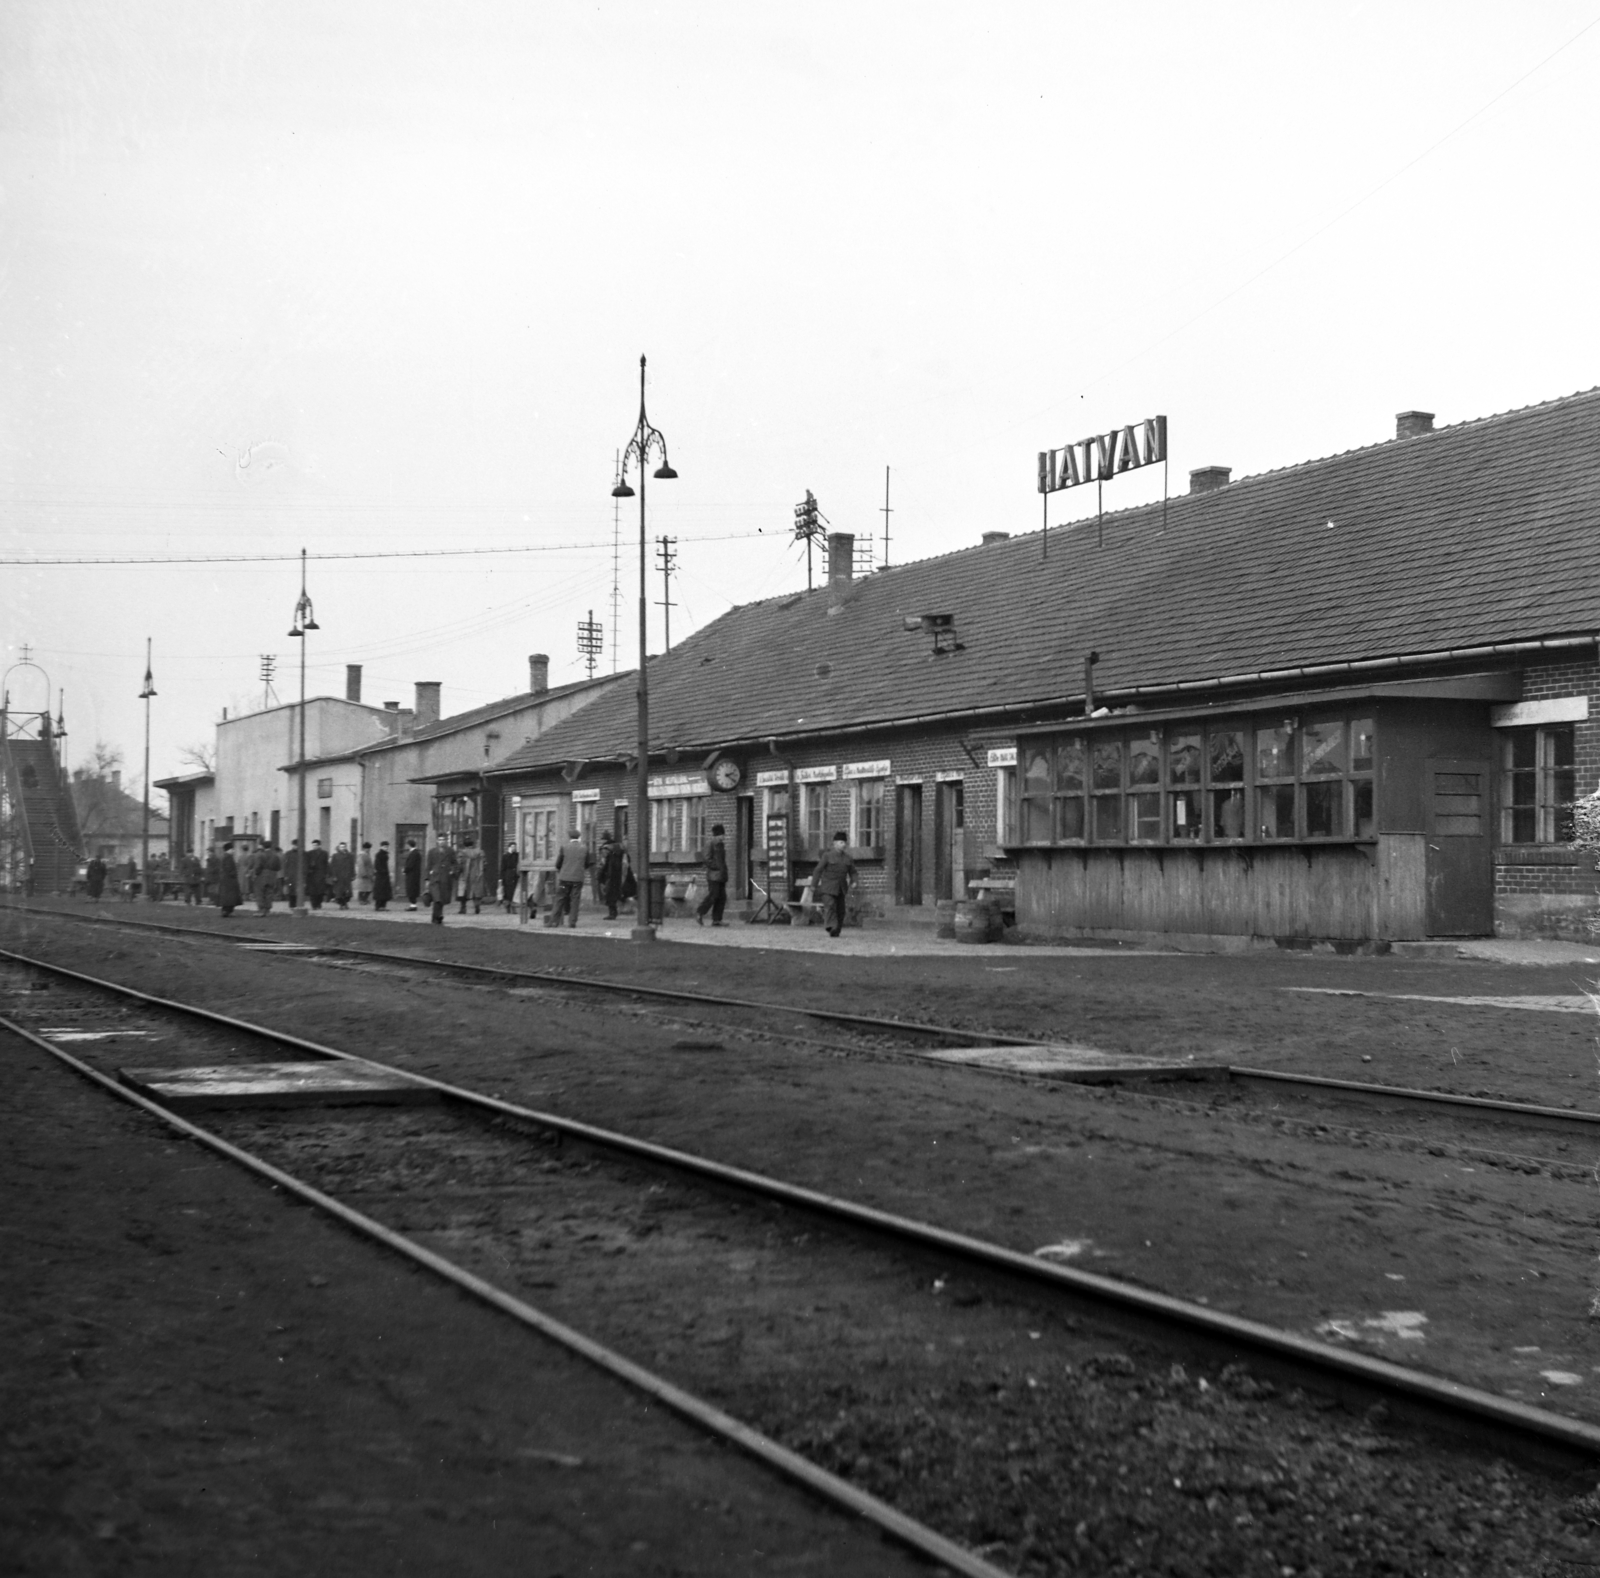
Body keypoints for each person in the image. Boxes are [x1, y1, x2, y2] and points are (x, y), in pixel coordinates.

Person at [810, 830, 856, 939]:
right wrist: (813, 885)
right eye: (841, 842)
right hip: (828, 888)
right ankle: (830, 925)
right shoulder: (827, 856)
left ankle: (835, 931)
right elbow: (818, 870)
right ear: (835, 843)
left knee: (841, 911)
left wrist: (854, 881)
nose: (843, 845)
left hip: (841, 888)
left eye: (844, 842)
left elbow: (853, 872)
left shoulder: (848, 858)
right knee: (830, 906)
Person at [549, 827, 592, 928]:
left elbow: (558, 864)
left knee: (560, 898)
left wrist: (562, 869)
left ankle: (554, 921)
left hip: (564, 878)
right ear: (578, 837)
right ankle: (572, 922)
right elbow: (587, 863)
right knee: (575, 899)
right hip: (578, 878)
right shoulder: (584, 848)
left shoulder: (564, 847)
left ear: (569, 837)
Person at [695, 823, 729, 927]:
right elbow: (706, 858)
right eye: (722, 835)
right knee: (713, 896)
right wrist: (716, 867)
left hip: (720, 875)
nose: (723, 837)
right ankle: (700, 912)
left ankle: (717, 919)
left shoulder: (720, 845)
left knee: (721, 897)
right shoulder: (710, 844)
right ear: (718, 835)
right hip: (714, 876)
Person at [425, 840, 458, 925]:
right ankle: (437, 916)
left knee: (442, 898)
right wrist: (427, 878)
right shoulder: (432, 851)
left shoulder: (450, 851)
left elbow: (455, 863)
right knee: (437, 898)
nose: (441, 842)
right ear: (437, 841)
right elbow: (428, 865)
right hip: (435, 877)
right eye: (439, 840)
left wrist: (452, 871)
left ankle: (437, 917)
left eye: (443, 840)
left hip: (445, 878)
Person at [597, 831, 628, 920]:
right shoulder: (620, 847)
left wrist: (599, 874)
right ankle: (617, 910)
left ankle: (612, 913)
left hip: (609, 873)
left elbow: (602, 863)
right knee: (617, 891)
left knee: (608, 892)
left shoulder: (605, 849)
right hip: (620, 873)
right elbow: (626, 860)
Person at [456, 834, 485, 915]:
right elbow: (484, 863)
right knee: (476, 891)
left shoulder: (461, 852)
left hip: (465, 874)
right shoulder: (480, 851)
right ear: (472, 844)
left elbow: (459, 864)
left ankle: (463, 908)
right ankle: (477, 906)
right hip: (476, 874)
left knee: (463, 891)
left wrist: (457, 873)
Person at [255, 842, 282, 914]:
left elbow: (258, 867)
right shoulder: (275, 856)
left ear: (263, 847)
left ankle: (261, 908)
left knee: (260, 892)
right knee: (269, 892)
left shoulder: (260, 855)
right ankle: (267, 909)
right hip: (272, 875)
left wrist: (256, 873)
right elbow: (278, 867)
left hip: (262, 875)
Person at [217, 842, 242, 917]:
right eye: (232, 849)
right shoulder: (228, 857)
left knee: (228, 896)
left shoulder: (225, 856)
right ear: (229, 849)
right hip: (229, 880)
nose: (233, 850)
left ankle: (226, 910)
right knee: (230, 896)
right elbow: (229, 869)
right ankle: (227, 911)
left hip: (226, 880)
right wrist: (234, 874)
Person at [329, 842, 355, 910]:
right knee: (339, 893)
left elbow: (352, 866)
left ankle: (345, 903)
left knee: (347, 893)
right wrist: (334, 876)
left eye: (344, 847)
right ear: (339, 848)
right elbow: (332, 866)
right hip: (339, 877)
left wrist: (353, 874)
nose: (343, 848)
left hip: (347, 876)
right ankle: (342, 904)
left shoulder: (350, 856)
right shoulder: (335, 856)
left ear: (346, 847)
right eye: (341, 847)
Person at [305, 840, 329, 910]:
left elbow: (326, 864)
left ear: (319, 845)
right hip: (312, 874)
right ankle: (314, 905)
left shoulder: (324, 853)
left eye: (315, 845)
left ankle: (319, 903)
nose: (314, 847)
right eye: (313, 845)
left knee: (320, 891)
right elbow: (306, 863)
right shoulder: (309, 853)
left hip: (321, 874)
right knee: (312, 891)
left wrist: (326, 873)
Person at [499, 842, 521, 914]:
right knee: (507, 891)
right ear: (509, 847)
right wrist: (501, 878)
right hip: (508, 875)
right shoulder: (505, 856)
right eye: (512, 847)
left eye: (515, 847)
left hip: (515, 875)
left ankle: (513, 907)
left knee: (514, 891)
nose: (514, 848)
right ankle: (508, 907)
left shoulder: (517, 855)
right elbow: (502, 868)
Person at [373, 841, 393, 910]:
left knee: (385, 891)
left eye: (387, 847)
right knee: (380, 891)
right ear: (381, 847)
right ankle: (378, 906)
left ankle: (383, 906)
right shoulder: (379, 855)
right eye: (385, 847)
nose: (386, 848)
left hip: (385, 875)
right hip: (380, 876)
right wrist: (383, 871)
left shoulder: (385, 854)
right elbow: (377, 865)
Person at [283, 839, 302, 908]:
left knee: (298, 890)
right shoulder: (288, 854)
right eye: (295, 845)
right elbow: (285, 865)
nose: (296, 846)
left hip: (298, 876)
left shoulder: (302, 853)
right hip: (290, 876)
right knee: (291, 890)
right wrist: (286, 875)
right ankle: (292, 904)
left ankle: (297, 904)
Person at [403, 841, 422, 910]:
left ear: (409, 845)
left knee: (411, 889)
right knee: (412, 889)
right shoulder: (416, 853)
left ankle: (413, 905)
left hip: (412, 874)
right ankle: (413, 904)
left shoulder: (414, 853)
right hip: (414, 874)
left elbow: (410, 865)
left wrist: (405, 870)